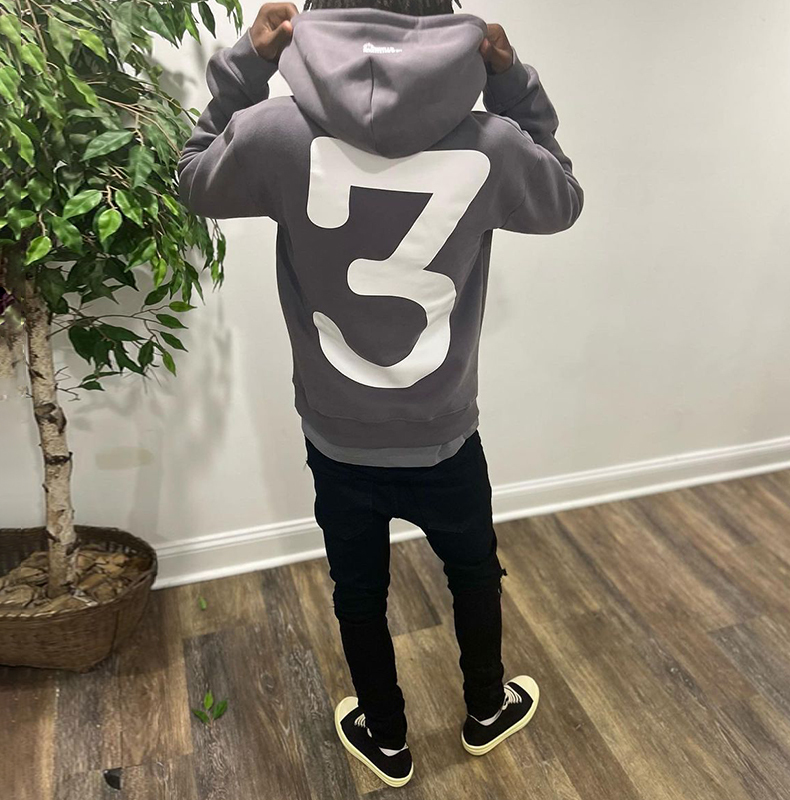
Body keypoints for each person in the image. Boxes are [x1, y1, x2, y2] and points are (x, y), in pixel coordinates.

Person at [178, 0, 584, 788]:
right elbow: (563, 196)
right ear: (449, 24)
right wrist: (513, 86)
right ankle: (485, 709)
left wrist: (245, 66)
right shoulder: (493, 144)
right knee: (474, 571)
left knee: (357, 589)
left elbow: (192, 177)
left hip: (338, 434)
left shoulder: (273, 133)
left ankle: (387, 737)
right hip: (445, 430)